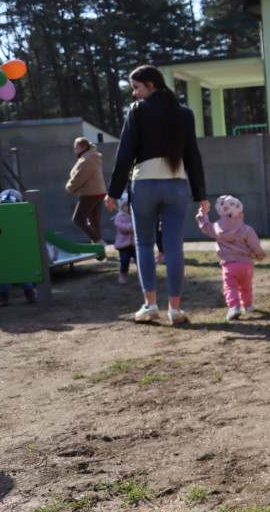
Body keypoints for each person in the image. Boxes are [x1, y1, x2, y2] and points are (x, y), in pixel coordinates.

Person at [105, 65, 209, 325]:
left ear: (152, 84)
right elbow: (193, 156)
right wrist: (201, 195)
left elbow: (125, 154)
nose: (134, 94)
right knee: (174, 248)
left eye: (137, 87)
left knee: (143, 244)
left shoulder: (137, 112)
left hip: (145, 186)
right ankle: (175, 310)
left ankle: (150, 305)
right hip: (177, 186)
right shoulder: (184, 113)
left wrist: (113, 192)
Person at [196, 195, 266, 321]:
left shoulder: (217, 228)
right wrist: (259, 255)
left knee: (230, 287)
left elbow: (206, 227)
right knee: (246, 286)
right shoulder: (247, 229)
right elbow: (254, 245)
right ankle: (248, 305)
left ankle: (234, 307)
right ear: (239, 214)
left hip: (229, 265)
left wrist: (202, 215)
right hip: (247, 265)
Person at [0, 189, 37, 305]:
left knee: (22, 271)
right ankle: (3, 297)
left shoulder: (22, 216)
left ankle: (29, 294)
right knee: (3, 274)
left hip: (17, 249)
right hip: (3, 249)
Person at [65, 137, 107, 244]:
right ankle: (99, 245)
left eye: (76, 148)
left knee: (78, 219)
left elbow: (80, 176)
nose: (75, 150)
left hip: (90, 193)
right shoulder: (92, 157)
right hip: (99, 192)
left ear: (84, 147)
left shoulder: (87, 159)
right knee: (94, 221)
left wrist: (70, 187)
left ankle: (98, 241)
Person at [112, 191, 136, 285]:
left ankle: (141, 276)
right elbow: (123, 228)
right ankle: (123, 274)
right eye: (126, 205)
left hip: (134, 245)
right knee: (124, 261)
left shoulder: (135, 216)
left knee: (139, 261)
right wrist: (134, 226)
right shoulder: (119, 217)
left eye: (130, 205)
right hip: (123, 246)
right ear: (121, 206)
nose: (129, 207)